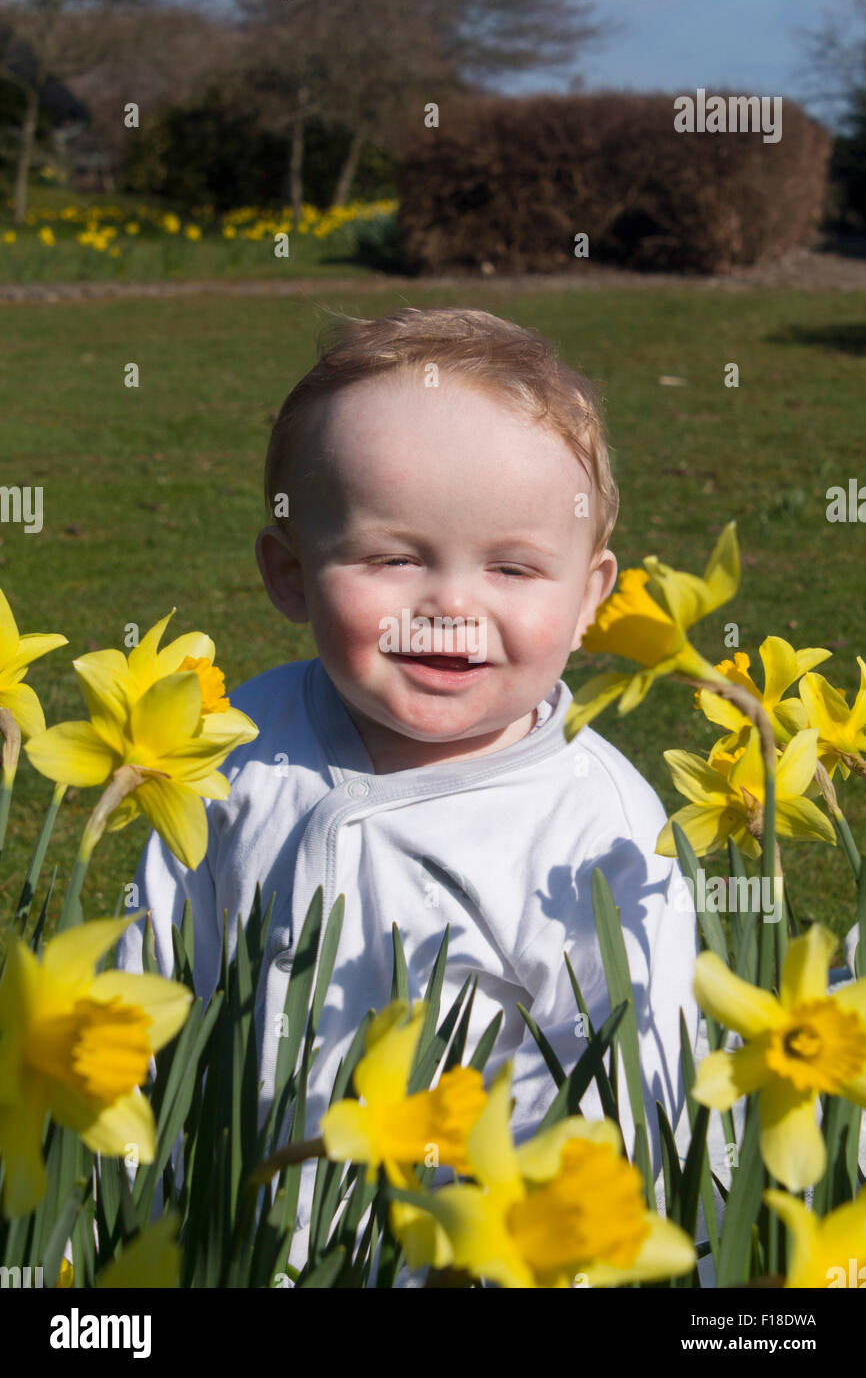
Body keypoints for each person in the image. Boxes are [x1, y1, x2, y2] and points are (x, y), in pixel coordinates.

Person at [115, 306, 702, 1275]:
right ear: (290, 574)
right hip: (228, 1230)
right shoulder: (236, 748)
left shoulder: (599, 826)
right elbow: (153, 965)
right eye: (394, 557)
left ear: (590, 595)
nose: (450, 605)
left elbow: (638, 1095)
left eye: (512, 566)